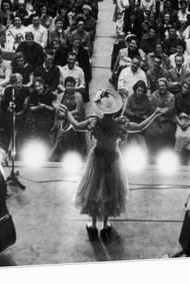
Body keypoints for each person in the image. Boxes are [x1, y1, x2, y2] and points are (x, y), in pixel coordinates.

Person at [59, 89, 163, 241]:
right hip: (113, 159)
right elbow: (140, 127)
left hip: (97, 158)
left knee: (94, 190)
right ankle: (106, 225)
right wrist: (155, 114)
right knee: (110, 190)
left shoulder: (94, 122)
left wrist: (67, 112)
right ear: (116, 110)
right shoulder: (120, 124)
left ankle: (93, 225)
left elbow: (75, 125)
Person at [22, 77, 56, 145]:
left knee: (44, 126)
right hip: (36, 114)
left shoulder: (49, 94)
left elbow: (53, 109)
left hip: (47, 115)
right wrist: (39, 107)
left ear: (43, 85)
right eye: (36, 86)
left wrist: (45, 106)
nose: (38, 88)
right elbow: (31, 108)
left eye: (39, 86)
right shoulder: (33, 93)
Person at [174, 81, 190, 154]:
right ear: (181, 87)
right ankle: (179, 154)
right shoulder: (176, 97)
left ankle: (189, 155)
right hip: (180, 119)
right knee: (178, 136)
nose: (185, 89)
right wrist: (180, 123)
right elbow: (174, 113)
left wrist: (188, 123)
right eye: (184, 87)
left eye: (187, 88)